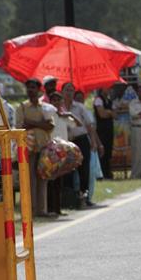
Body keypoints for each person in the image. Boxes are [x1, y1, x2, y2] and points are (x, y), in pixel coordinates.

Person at [16, 78, 54, 217]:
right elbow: (20, 127)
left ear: (39, 90)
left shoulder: (45, 107)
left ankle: (41, 210)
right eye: (28, 88)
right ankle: (30, 210)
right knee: (29, 178)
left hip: (44, 147)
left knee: (42, 178)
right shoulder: (22, 107)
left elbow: (50, 126)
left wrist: (32, 122)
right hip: (28, 148)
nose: (30, 90)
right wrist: (40, 123)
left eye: (33, 87)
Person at [62, 82, 97, 208]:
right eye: (67, 90)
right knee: (67, 170)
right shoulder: (59, 108)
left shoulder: (80, 107)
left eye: (71, 90)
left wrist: (93, 141)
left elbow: (89, 125)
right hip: (66, 142)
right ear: (62, 92)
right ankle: (70, 198)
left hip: (81, 140)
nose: (69, 93)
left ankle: (85, 197)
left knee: (84, 170)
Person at [47, 91, 81, 216]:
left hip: (62, 151)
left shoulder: (64, 116)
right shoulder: (48, 114)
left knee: (59, 181)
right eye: (53, 100)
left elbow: (78, 124)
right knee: (50, 180)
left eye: (58, 100)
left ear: (62, 102)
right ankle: (50, 208)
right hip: (50, 150)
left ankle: (57, 208)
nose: (56, 102)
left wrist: (70, 114)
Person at [94, 86, 115, 179]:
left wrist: (109, 112)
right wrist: (109, 113)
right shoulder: (98, 99)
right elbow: (101, 114)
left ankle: (107, 172)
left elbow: (115, 114)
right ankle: (101, 173)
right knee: (102, 151)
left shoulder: (109, 100)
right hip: (101, 129)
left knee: (108, 151)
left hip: (109, 128)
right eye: (108, 88)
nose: (109, 89)